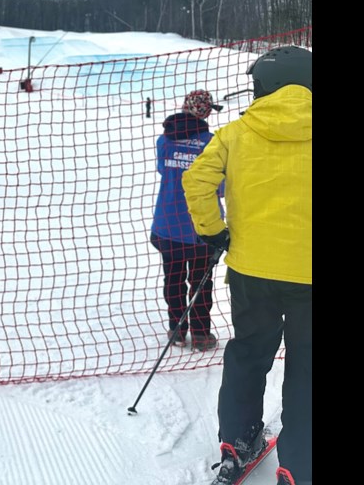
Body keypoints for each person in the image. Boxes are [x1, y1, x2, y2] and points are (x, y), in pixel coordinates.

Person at [182, 47, 311, 485]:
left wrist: (214, 231)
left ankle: (237, 442)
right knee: (307, 366)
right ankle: (299, 466)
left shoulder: (236, 132)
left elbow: (196, 180)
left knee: (249, 353)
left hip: (251, 271)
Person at [149, 89, 224, 351]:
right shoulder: (213, 143)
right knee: (201, 283)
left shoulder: (164, 140)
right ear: (206, 113)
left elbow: (163, 169)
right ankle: (201, 334)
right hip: (201, 228)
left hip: (167, 224)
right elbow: (222, 187)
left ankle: (177, 330)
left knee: (173, 279)